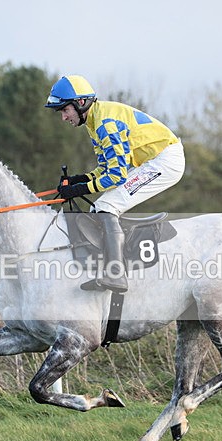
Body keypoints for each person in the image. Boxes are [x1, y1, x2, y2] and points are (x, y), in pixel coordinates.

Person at [45, 75, 185, 293]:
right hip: (154, 159)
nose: (63, 117)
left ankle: (116, 274)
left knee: (106, 206)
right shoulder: (94, 121)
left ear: (81, 103)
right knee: (97, 208)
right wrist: (80, 179)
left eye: (64, 110)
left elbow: (116, 176)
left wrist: (79, 189)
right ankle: (105, 268)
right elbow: (105, 169)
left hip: (166, 161)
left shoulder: (105, 124)